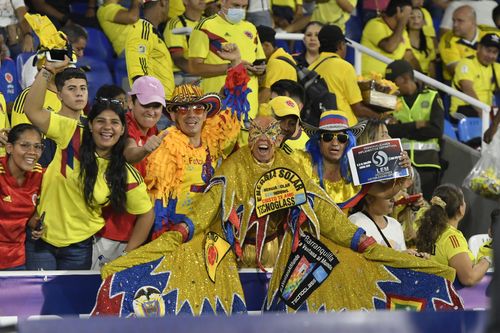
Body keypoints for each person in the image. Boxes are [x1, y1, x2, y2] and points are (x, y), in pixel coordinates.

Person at [92, 115, 461, 316]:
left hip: (285, 255)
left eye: (271, 132)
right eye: (257, 132)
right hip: (230, 255)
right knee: (187, 274)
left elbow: (326, 214)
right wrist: (179, 234)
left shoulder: (293, 167)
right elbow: (206, 210)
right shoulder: (233, 165)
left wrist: (364, 245)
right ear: (250, 137)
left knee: (342, 271)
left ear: (278, 139)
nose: (264, 138)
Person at [23, 58, 154, 270]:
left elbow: (147, 213)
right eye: (101, 121)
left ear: (122, 130)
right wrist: (47, 71)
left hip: (81, 247)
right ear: (90, 124)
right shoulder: (72, 132)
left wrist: (127, 255)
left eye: (114, 123)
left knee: (74, 304)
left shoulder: (123, 171)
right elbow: (32, 110)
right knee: (37, 303)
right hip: (42, 240)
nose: (107, 128)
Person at [145, 43, 242, 240]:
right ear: (173, 116)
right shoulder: (166, 147)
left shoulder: (214, 142)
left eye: (198, 109)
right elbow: (159, 202)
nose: (191, 115)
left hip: (211, 234)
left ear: (206, 114)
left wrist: (236, 63)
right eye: (183, 109)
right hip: (177, 235)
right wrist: (166, 239)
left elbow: (235, 108)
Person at [92, 78, 165, 269]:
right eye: (146, 104)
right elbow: (128, 153)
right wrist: (145, 150)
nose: (151, 111)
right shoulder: (123, 127)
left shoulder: (154, 131)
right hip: (110, 231)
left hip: (138, 230)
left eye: (156, 105)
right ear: (131, 103)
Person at [294, 109, 412, 214]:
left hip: (339, 236)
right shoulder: (301, 162)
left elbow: (385, 192)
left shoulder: (355, 170)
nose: (335, 143)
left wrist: (402, 172)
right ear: (319, 142)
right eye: (328, 137)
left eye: (341, 138)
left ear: (348, 142)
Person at [188, 0, 266, 141]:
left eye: (244, 7)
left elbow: (260, 62)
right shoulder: (206, 27)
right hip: (217, 109)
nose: (240, 10)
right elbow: (193, 67)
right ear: (222, 2)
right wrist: (232, 68)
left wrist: (260, 70)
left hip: (248, 111)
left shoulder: (251, 28)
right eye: (236, 5)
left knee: (244, 160)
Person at [385, 59, 444, 200]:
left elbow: (436, 130)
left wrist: (401, 127)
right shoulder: (392, 100)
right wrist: (416, 125)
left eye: (394, 82)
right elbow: (389, 131)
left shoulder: (431, 96)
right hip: (399, 164)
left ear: (405, 78)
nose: (392, 87)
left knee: (424, 207)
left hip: (427, 164)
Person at [415, 184, 491, 287]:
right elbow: (469, 278)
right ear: (460, 209)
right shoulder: (452, 238)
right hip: (448, 297)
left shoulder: (425, 227)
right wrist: (488, 258)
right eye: (463, 201)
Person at [311, 24, 381, 125]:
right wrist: (381, 117)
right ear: (340, 45)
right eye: (344, 45)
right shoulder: (344, 67)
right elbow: (358, 109)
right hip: (344, 128)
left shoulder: (311, 68)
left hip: (320, 125)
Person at [0, 124, 44, 270]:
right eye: (25, 145)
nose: (32, 152)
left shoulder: (40, 175)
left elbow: (26, 218)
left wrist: (38, 225)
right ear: (9, 148)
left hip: (16, 260)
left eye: (37, 147)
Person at [125, 0, 175, 98]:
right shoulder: (142, 30)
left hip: (163, 103)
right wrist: (152, 105)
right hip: (154, 103)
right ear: (163, 2)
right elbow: (138, 74)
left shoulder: (151, 31)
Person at [438, 5, 499, 82]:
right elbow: (457, 71)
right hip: (459, 84)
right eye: (453, 20)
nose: (455, 24)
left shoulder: (492, 33)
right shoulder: (447, 40)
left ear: (473, 22)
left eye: (460, 21)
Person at [361, 0, 420, 76]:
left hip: (392, 80)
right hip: (370, 78)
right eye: (408, 14)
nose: (409, 17)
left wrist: (423, 78)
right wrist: (401, 22)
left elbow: (409, 57)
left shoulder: (403, 31)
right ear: (398, 12)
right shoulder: (375, 24)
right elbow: (390, 47)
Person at [450, 33, 500, 119]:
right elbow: (467, 89)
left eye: (494, 52)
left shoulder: (496, 67)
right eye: (488, 51)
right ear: (479, 47)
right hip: (462, 110)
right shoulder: (466, 63)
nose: (491, 56)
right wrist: (482, 112)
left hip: (486, 111)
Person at [164, 0, 205, 85]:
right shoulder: (176, 24)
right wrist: (200, 71)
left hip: (205, 72)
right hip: (184, 74)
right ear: (185, 1)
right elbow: (178, 59)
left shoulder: (208, 22)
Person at [257, 25, 297, 103]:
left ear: (266, 45)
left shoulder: (277, 63)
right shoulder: (283, 57)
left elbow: (266, 95)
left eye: (255, 48)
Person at [269, 80, 309, 154]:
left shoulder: (306, 149)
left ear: (298, 107)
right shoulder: (254, 135)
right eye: (271, 101)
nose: (273, 107)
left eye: (282, 102)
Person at [407, 7, 436, 78]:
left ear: (423, 22)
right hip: (408, 76)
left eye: (419, 17)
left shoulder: (428, 40)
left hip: (427, 79)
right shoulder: (403, 39)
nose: (415, 19)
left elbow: (431, 65)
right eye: (412, 17)